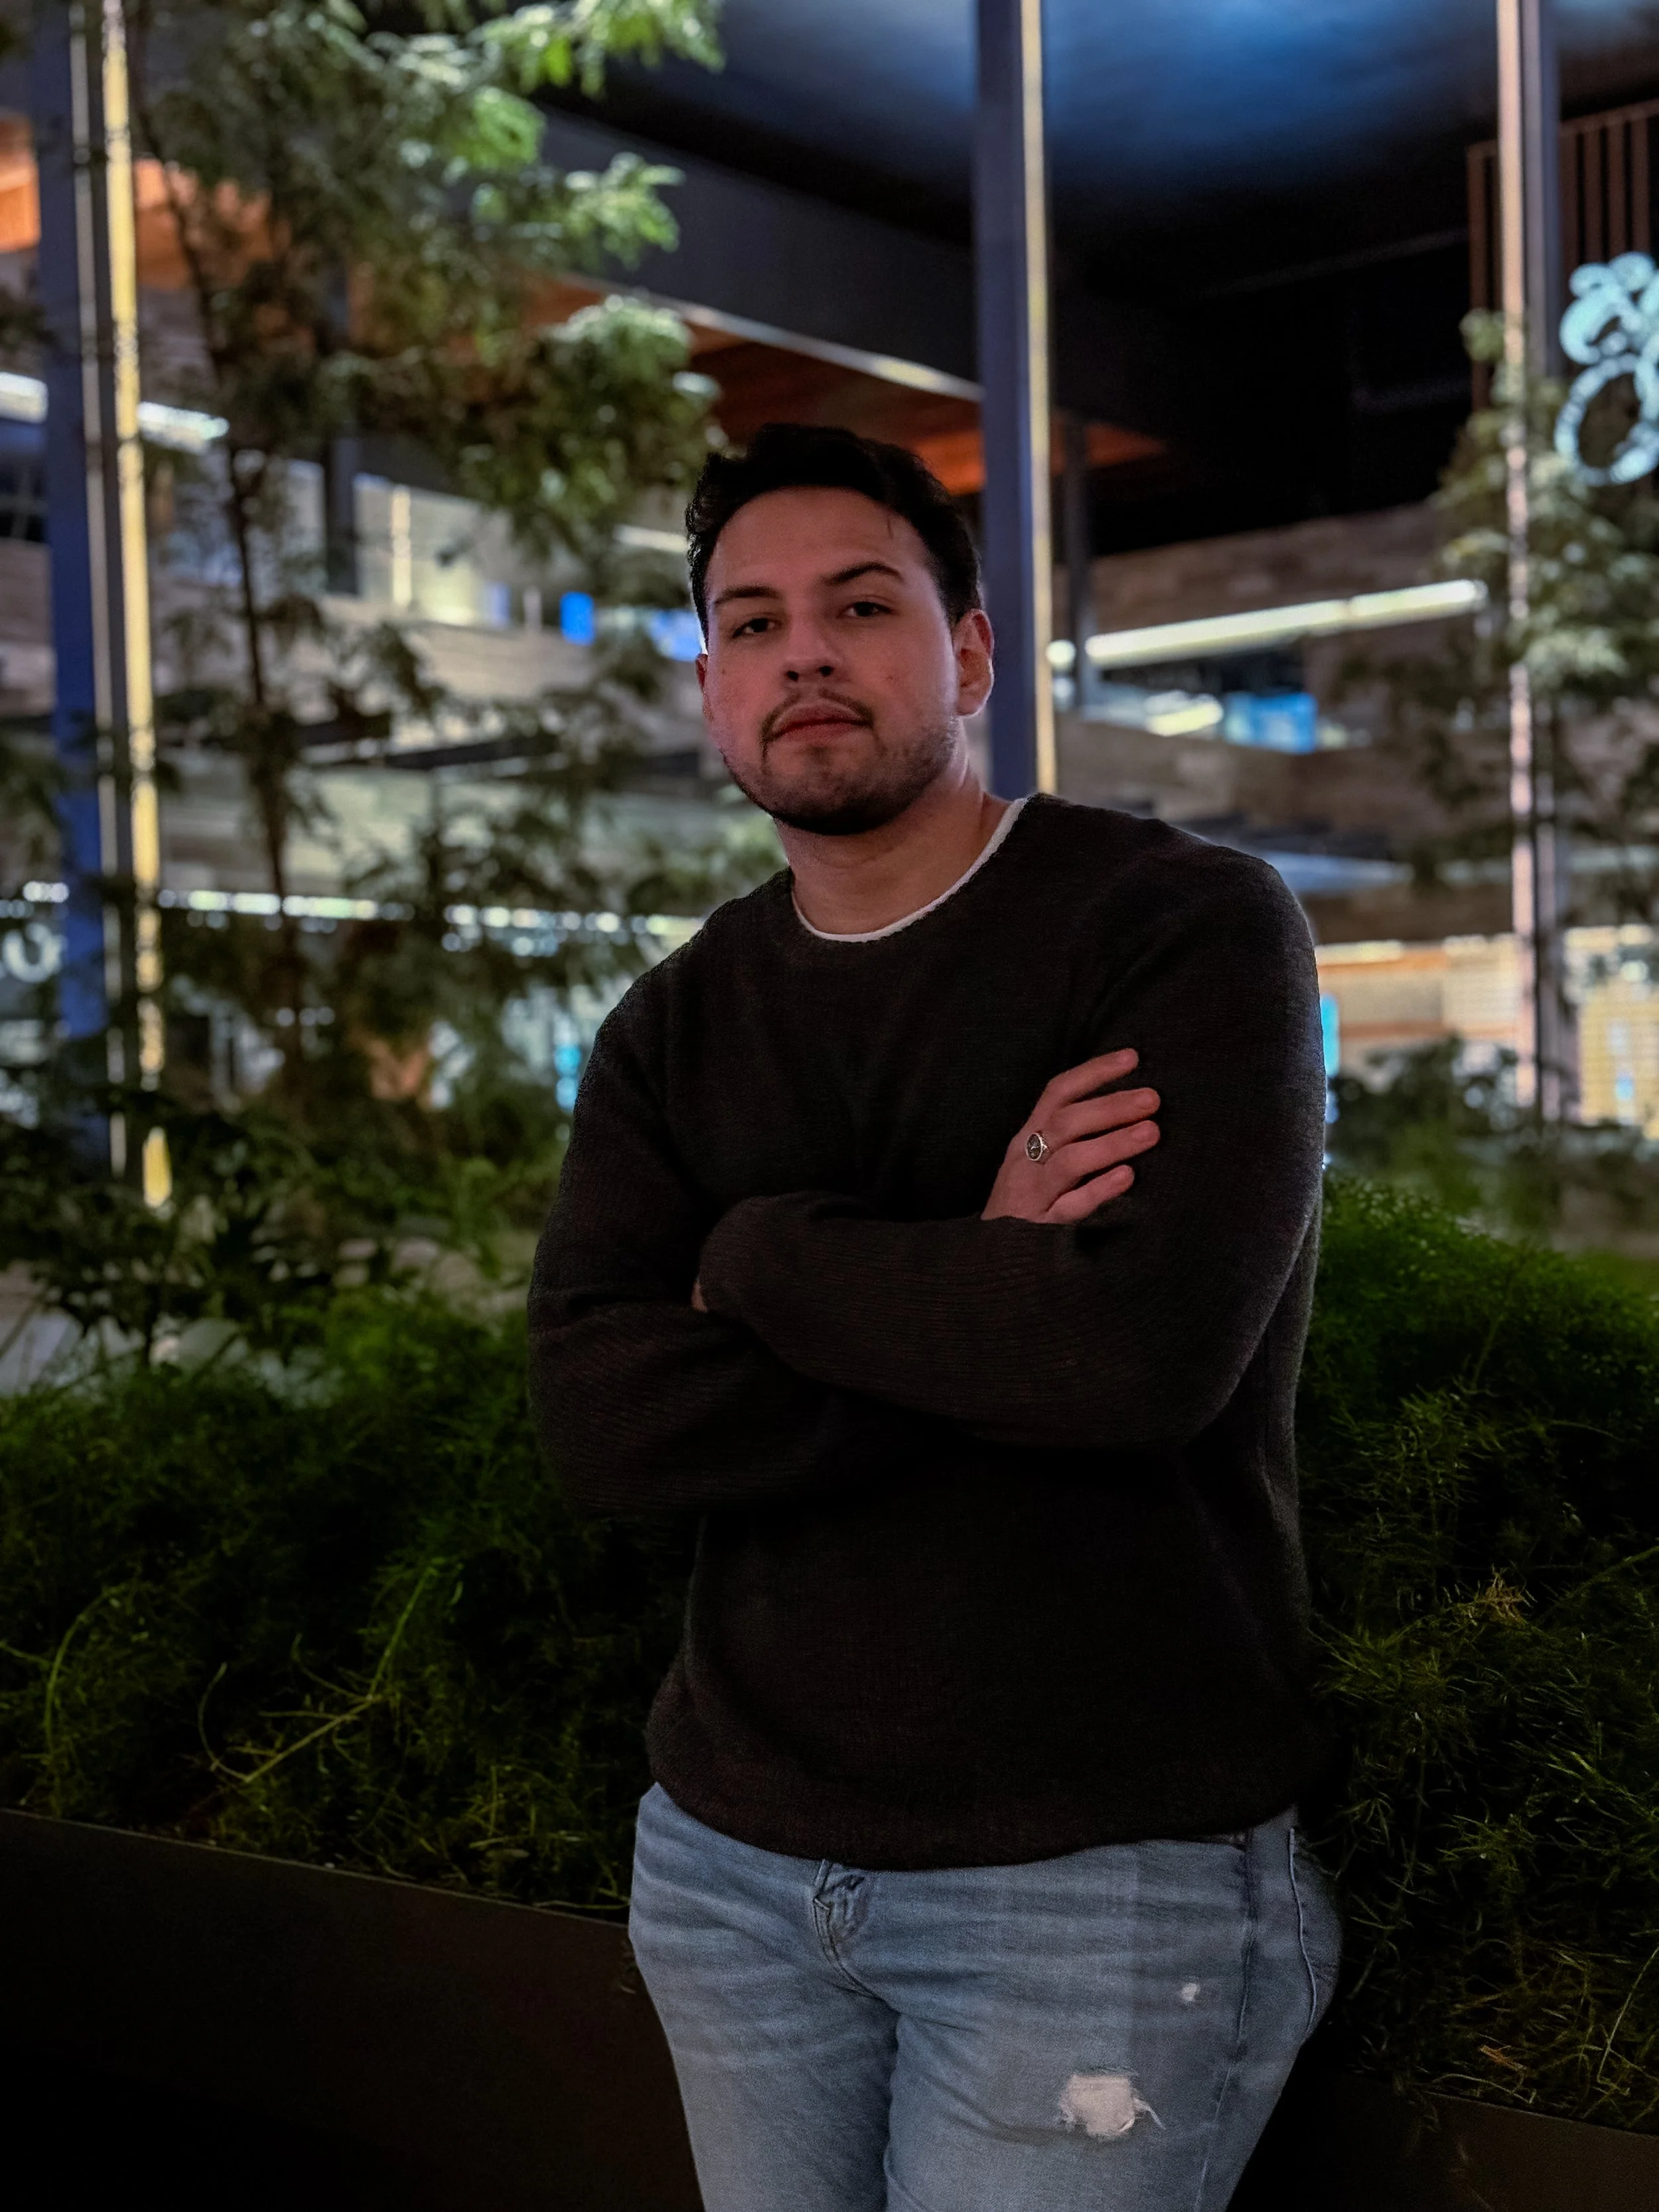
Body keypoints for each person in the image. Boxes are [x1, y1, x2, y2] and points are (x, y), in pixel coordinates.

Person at [528, 422, 1339, 2212]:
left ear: (969, 653)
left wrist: (760, 1260)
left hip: (1092, 1878)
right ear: (712, 690)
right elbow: (603, 1419)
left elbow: (1128, 1358)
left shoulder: (1180, 929)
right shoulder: (674, 1024)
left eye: (860, 605)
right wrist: (976, 1268)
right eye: (751, 624)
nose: (802, 653)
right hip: (732, 1865)